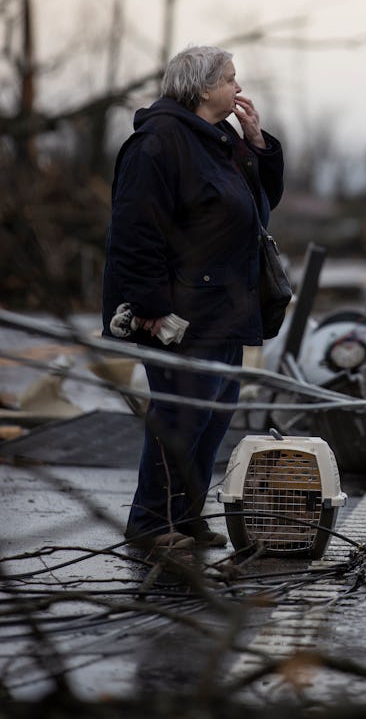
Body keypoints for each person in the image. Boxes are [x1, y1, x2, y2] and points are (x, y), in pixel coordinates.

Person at [102, 45, 284, 554]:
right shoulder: (158, 142)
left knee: (213, 415)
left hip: (225, 306)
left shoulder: (220, 139)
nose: (238, 88)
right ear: (203, 88)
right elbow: (134, 231)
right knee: (181, 416)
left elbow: (262, 202)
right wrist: (152, 307)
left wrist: (259, 144)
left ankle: (185, 516)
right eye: (230, 79)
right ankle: (150, 523)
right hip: (179, 313)